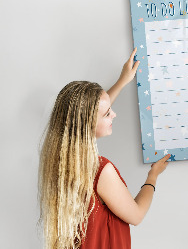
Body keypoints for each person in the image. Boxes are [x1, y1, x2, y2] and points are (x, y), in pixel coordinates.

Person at [38, 48, 170, 249]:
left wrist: (122, 80)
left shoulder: (60, 159)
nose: (114, 115)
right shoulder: (100, 171)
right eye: (108, 114)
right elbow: (136, 215)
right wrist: (153, 176)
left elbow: (91, 113)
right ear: (88, 123)